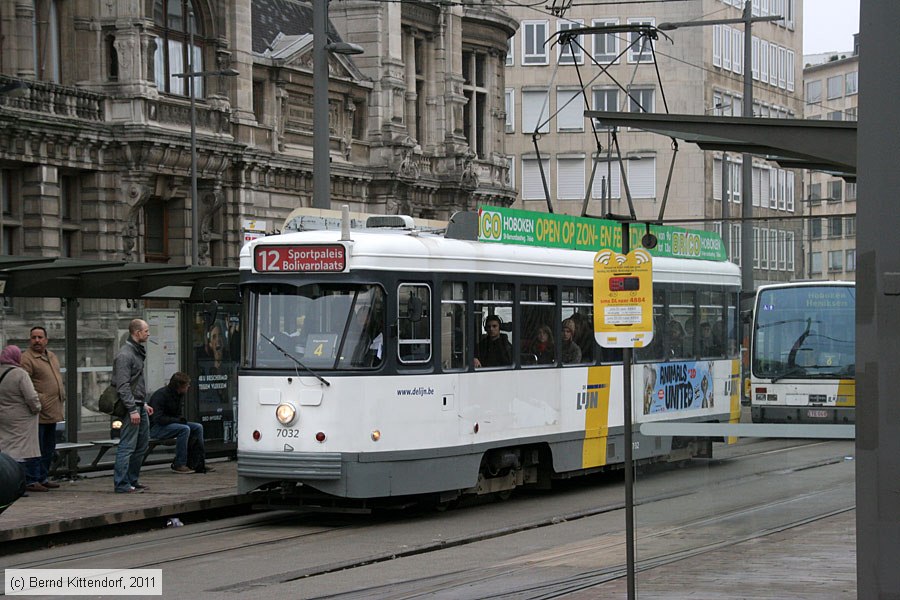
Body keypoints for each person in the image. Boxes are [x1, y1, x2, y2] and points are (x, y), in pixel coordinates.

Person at [20, 326, 65, 490]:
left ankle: (43, 477)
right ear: (30, 340)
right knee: (35, 448)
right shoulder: (27, 359)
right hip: (38, 412)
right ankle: (32, 480)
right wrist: (39, 399)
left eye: (40, 337)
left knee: (48, 447)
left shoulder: (51, 356)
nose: (37, 340)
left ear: (46, 340)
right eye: (34, 337)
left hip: (53, 410)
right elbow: (25, 385)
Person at [112, 319, 153, 494]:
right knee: (127, 446)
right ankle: (121, 483)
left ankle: (132, 480)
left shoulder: (136, 352)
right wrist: (132, 409)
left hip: (138, 405)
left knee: (142, 445)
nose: (148, 334)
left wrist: (142, 404)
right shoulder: (125, 355)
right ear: (137, 333)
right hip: (132, 408)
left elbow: (136, 382)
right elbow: (123, 385)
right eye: (146, 331)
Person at [149, 372, 213, 474]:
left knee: (198, 427)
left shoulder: (178, 395)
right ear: (179, 386)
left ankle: (199, 462)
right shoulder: (160, 396)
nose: (188, 387)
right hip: (156, 427)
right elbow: (158, 418)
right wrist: (177, 421)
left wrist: (179, 420)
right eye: (186, 385)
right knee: (184, 429)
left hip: (169, 424)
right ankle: (180, 463)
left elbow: (176, 415)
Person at [0, 345, 43, 492]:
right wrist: (37, 408)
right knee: (19, 450)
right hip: (21, 418)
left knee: (5, 446)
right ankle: (18, 484)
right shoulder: (20, 374)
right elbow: (31, 397)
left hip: (3, 416)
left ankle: (5, 481)